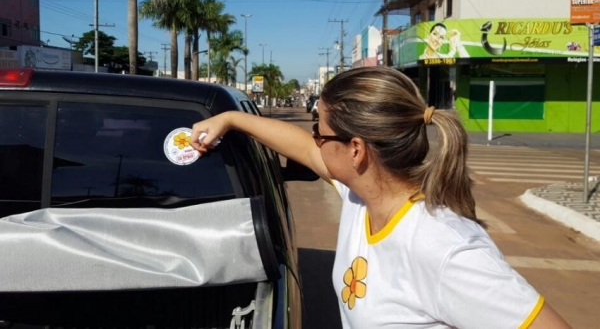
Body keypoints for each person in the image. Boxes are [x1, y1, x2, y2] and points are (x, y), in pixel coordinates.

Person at [190, 66, 571, 329]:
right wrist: (232, 119)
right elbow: (305, 150)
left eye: (320, 132)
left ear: (356, 150)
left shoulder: (444, 248)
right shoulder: (362, 197)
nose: (314, 142)